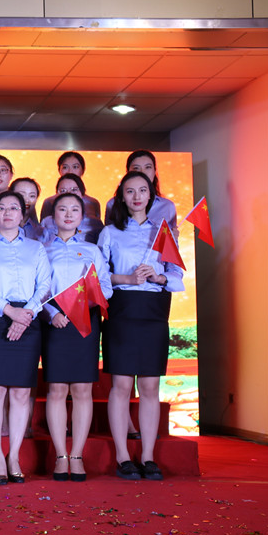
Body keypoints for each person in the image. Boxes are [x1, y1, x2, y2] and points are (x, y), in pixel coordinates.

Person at [98, 171, 184, 481]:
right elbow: (98, 276)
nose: (136, 196)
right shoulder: (110, 232)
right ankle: (123, 456)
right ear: (121, 196)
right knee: (121, 386)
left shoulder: (163, 232)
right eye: (130, 191)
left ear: (151, 195)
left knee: (150, 387)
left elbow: (176, 275)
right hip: (122, 309)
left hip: (153, 311)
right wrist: (127, 278)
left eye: (142, 190)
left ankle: (148, 456)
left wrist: (158, 276)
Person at [0, 190, 51, 485]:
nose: (7, 213)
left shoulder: (36, 248)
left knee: (20, 393)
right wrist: (9, 311)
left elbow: (45, 285)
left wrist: (25, 313)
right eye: (1, 208)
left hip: (28, 320)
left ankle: (14, 455)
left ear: (23, 214)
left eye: (13, 208)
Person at [42, 193, 112, 482]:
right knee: (57, 389)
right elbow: (37, 288)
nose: (68, 214)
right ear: (53, 216)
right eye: (62, 209)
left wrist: (88, 304)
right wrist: (50, 313)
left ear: (82, 217)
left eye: (74, 210)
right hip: (55, 321)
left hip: (85, 320)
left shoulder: (92, 250)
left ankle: (78, 455)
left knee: (83, 389)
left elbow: (106, 286)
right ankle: (61, 455)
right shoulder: (43, 250)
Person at [104, 150, 178, 232]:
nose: (143, 172)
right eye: (136, 168)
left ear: (155, 171)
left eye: (148, 167)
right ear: (128, 172)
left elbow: (170, 237)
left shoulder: (167, 206)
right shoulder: (113, 204)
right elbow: (110, 234)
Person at [40, 174, 104, 243]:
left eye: (74, 190)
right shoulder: (46, 222)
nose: (68, 193)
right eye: (63, 190)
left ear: (82, 193)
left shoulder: (94, 223)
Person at [39, 151, 102, 221]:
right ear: (59, 170)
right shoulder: (49, 202)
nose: (70, 171)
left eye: (75, 167)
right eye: (65, 167)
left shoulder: (93, 202)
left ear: (83, 170)